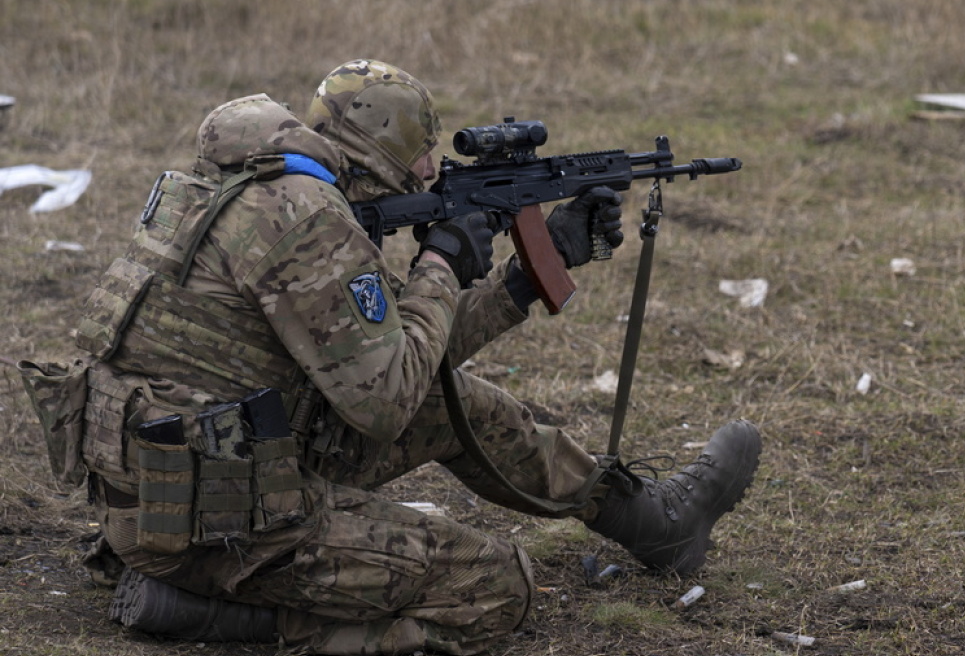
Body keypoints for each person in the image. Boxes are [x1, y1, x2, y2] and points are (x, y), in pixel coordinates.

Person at [35, 60, 761, 655]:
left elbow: (395, 358)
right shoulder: (307, 224)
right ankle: (207, 611)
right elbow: (384, 400)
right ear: (377, 154)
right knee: (496, 589)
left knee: (457, 404)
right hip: (214, 525)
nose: (431, 168)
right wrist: (440, 264)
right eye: (422, 149)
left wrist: (528, 275)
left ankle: (657, 523)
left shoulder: (256, 188)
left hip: (183, 489)